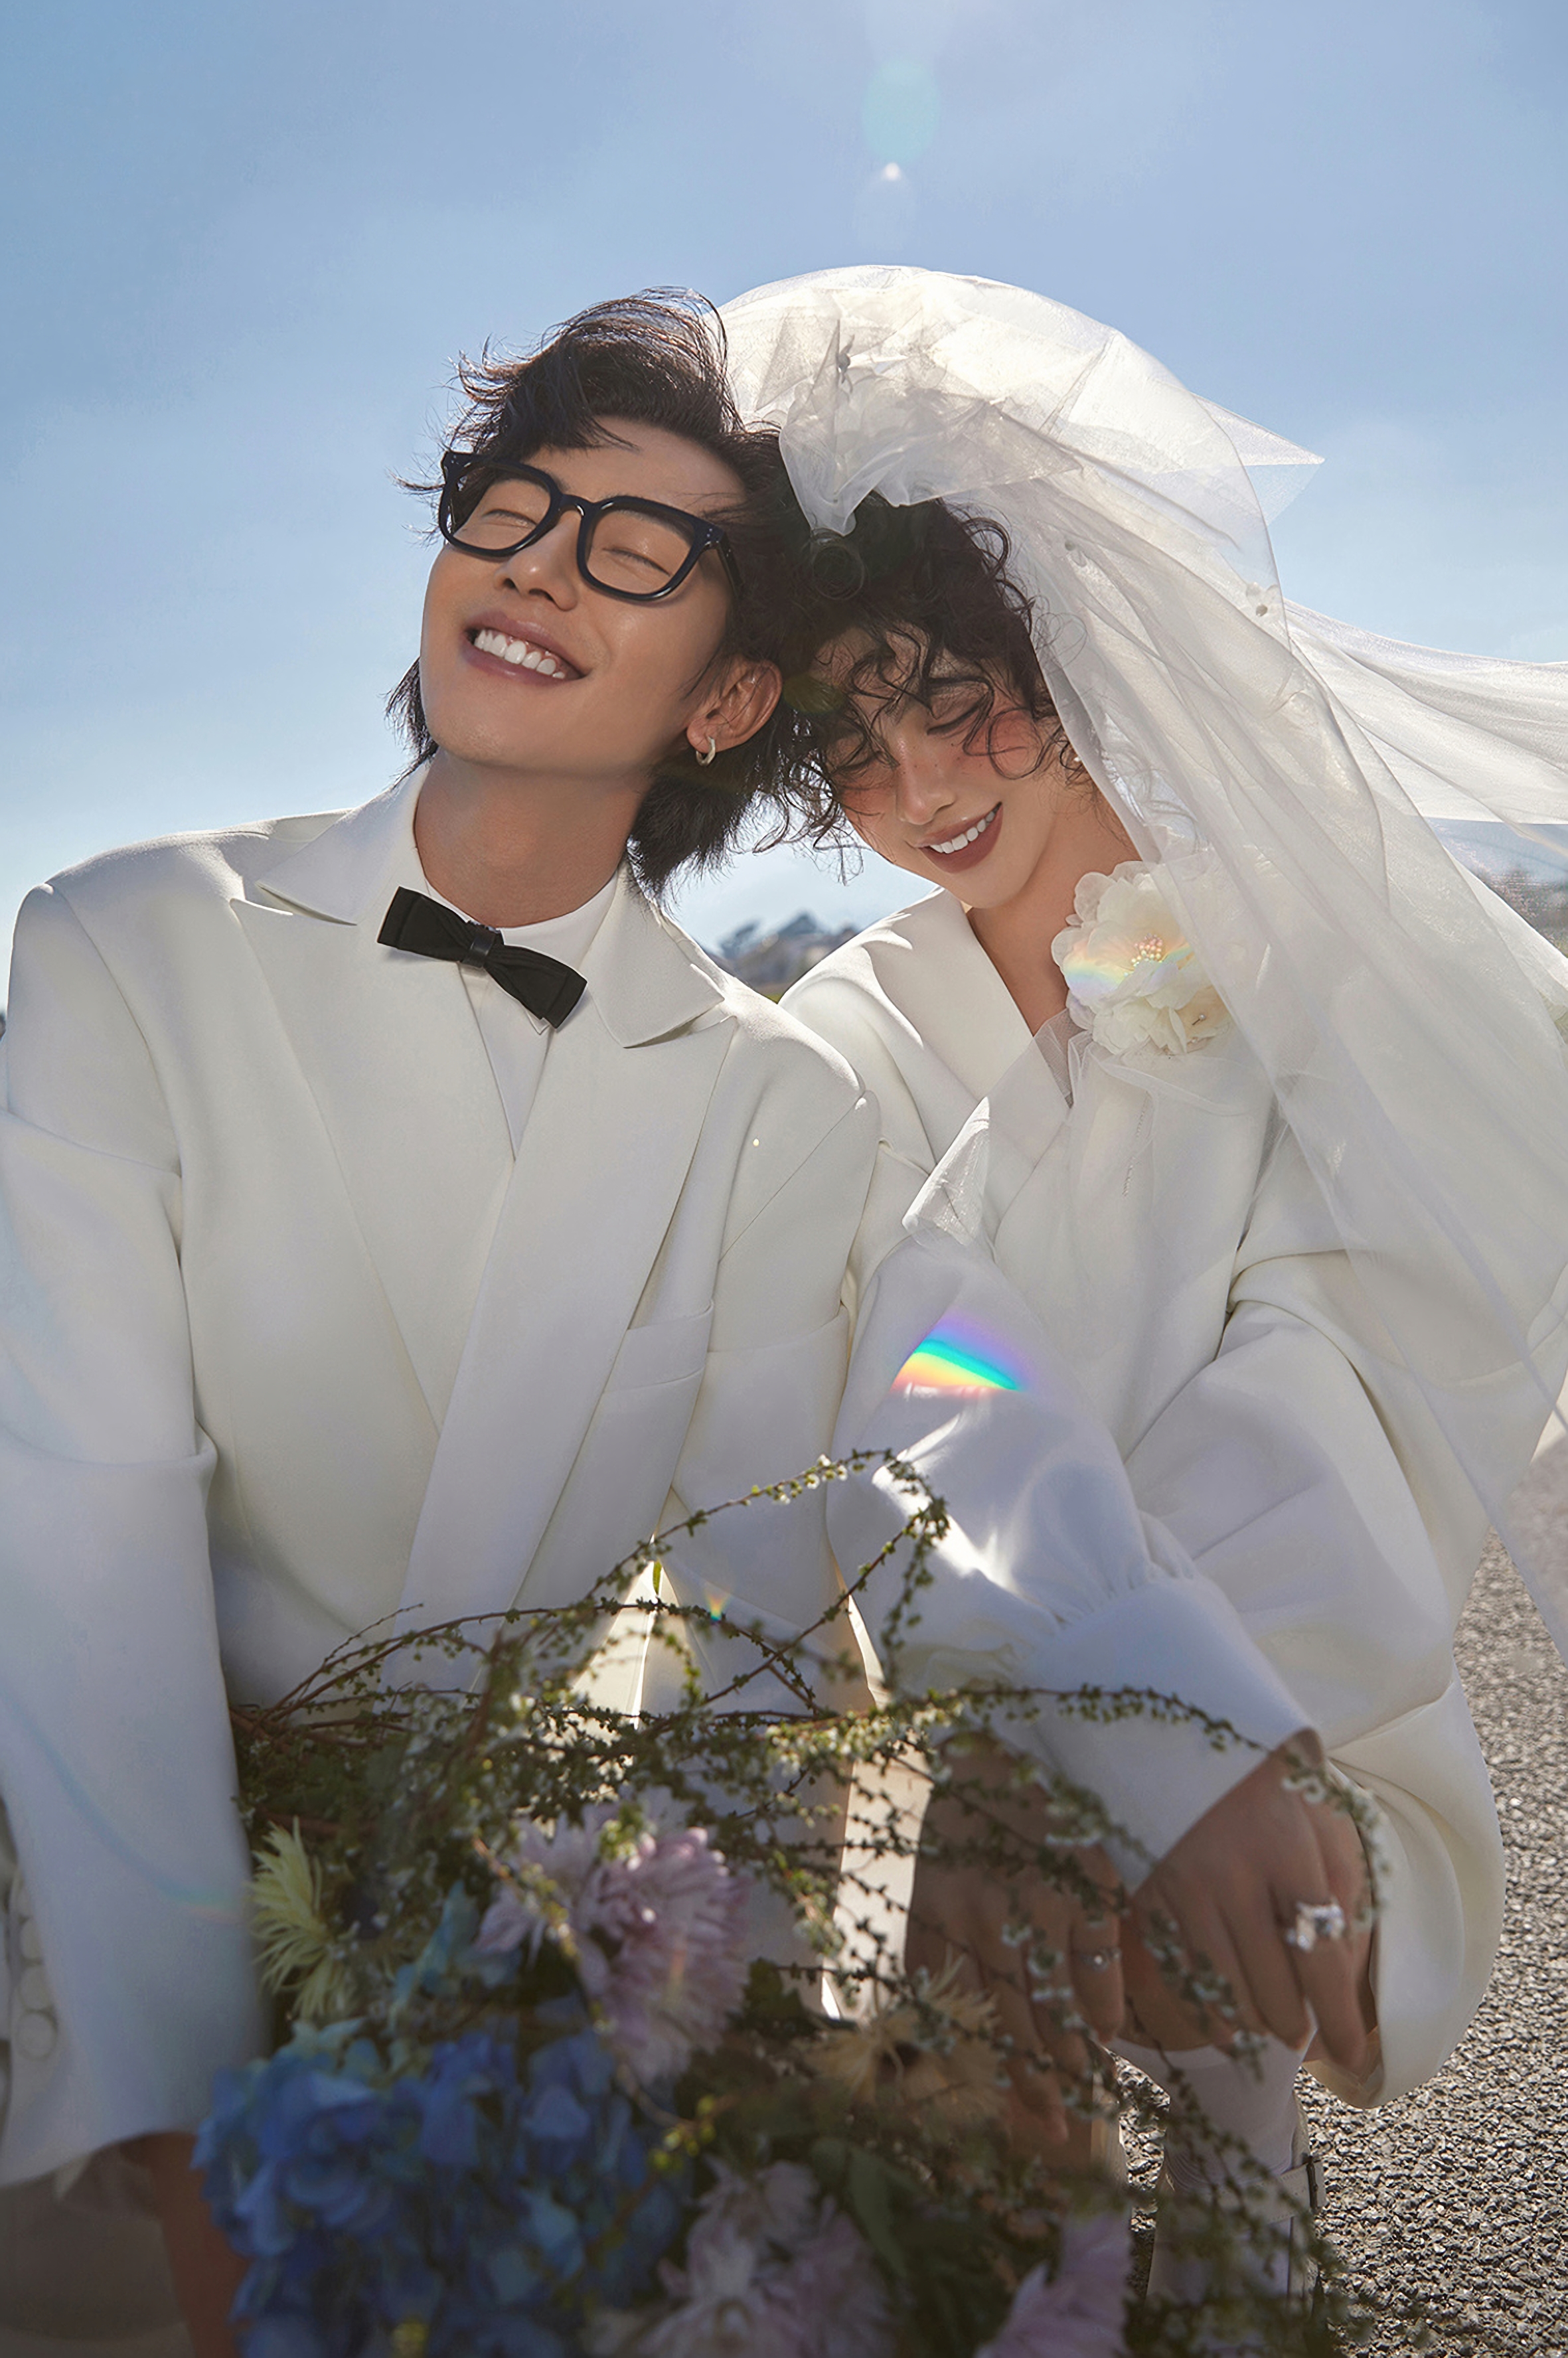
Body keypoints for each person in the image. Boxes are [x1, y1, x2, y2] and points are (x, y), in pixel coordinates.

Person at [1, 291, 1362, 2353]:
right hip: (127, 2020)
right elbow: (77, 1522)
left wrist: (1177, 1718)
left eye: (634, 546)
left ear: (727, 698)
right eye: (514, 509)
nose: (542, 564)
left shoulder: (772, 1098)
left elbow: (929, 1401)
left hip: (552, 2024)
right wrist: (190, 2128)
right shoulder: (126, 947)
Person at [714, 265, 1568, 2306]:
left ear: (1068, 652)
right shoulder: (843, 1032)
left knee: (1221, 2155)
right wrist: (1062, 1711)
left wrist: (1191, 1718)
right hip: (949, 1684)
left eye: (960, 700)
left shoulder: (1294, 960)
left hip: (1307, 1664)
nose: (922, 787)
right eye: (851, 743)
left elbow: (1350, 1350)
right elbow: (889, 1359)